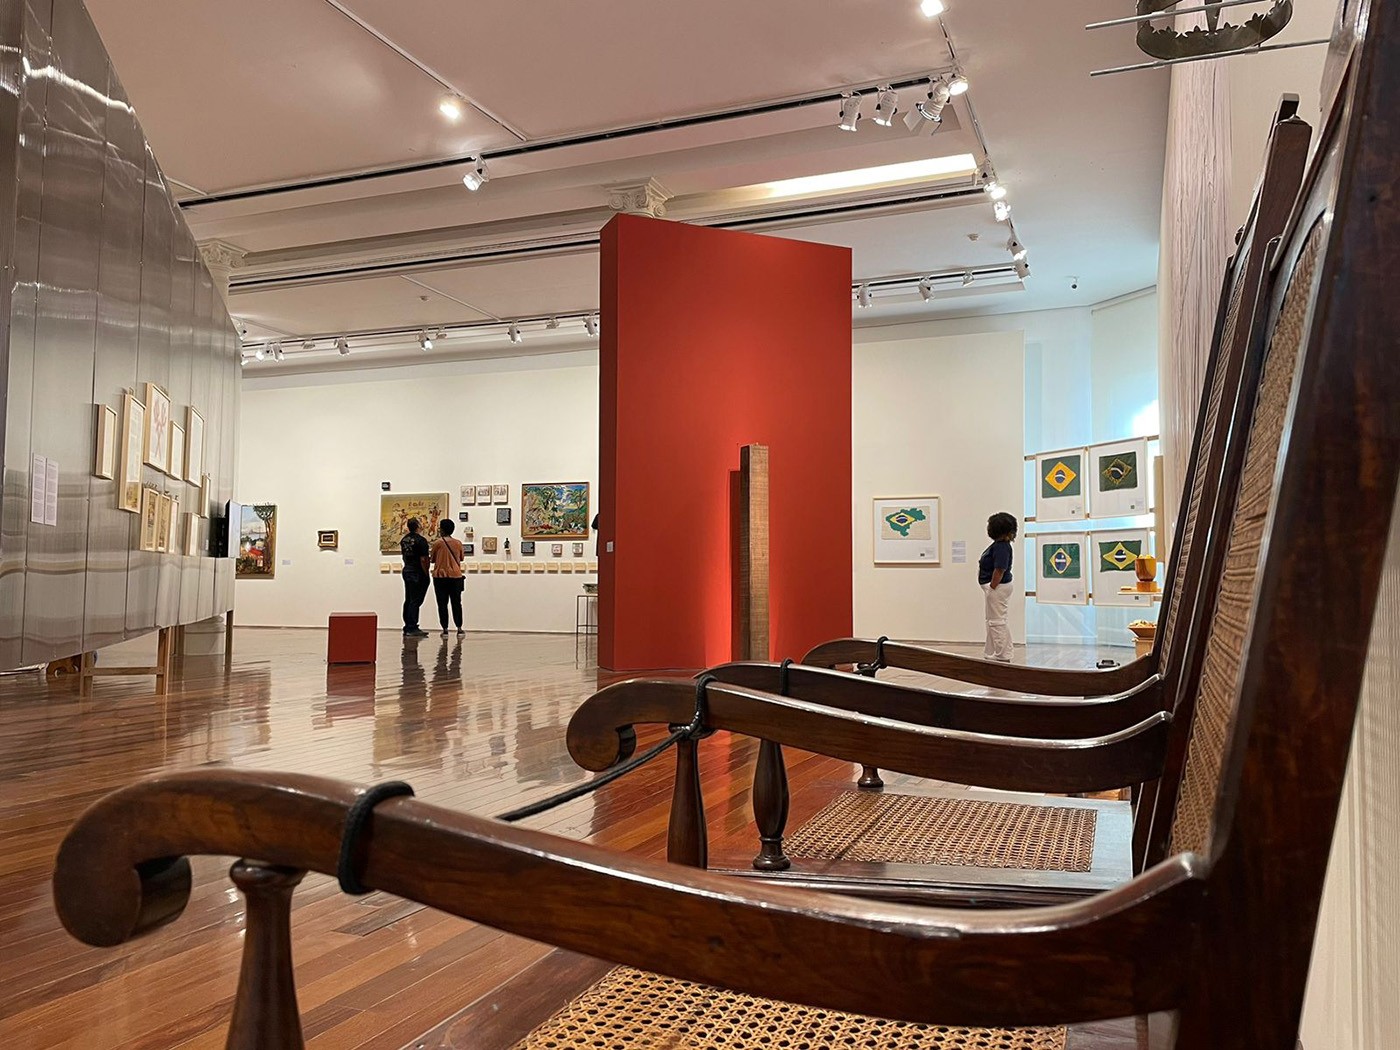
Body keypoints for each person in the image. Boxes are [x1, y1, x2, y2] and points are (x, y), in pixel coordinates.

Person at [978, 512, 1017, 663]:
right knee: (992, 620)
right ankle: (993, 651)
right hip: (996, 588)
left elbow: (999, 569)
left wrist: (992, 587)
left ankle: (1003, 654)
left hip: (997, 588)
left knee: (997, 621)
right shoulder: (999, 546)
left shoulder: (1002, 547)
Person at [430, 518, 466, 636]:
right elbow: (461, 558)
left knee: (442, 603)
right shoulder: (458, 543)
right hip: (455, 576)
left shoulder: (437, 543)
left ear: (443, 529)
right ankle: (459, 627)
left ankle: (445, 628)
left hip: (440, 576)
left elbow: (433, 559)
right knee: (456, 602)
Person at [400, 517, 431, 638]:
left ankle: (408, 625)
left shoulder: (404, 539)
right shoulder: (421, 540)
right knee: (416, 600)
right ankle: (412, 626)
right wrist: (426, 573)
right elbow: (424, 559)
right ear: (418, 526)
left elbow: (404, 556)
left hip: (407, 570)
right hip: (417, 572)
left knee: (408, 598)